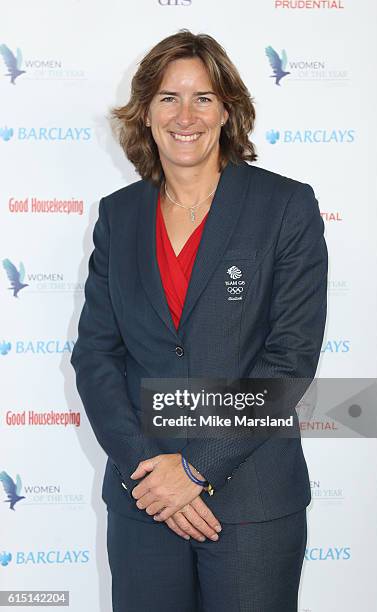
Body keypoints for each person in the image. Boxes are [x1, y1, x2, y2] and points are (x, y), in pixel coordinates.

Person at [70, 29, 328, 612]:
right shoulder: (119, 215)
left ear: (227, 111)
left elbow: (289, 360)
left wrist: (195, 468)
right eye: (168, 97)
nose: (185, 115)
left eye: (203, 98)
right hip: (146, 503)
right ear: (146, 112)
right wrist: (150, 470)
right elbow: (95, 356)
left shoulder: (285, 206)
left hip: (253, 504)